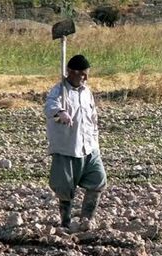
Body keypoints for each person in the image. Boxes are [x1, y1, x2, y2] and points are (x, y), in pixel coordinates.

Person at [44, 54, 107, 231]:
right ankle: (65, 223)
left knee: (98, 180)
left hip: (90, 147)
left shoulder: (87, 92)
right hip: (67, 148)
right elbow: (49, 107)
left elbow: (93, 118)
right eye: (83, 74)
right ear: (71, 72)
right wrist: (60, 113)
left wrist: (96, 141)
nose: (86, 78)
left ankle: (86, 220)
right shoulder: (59, 91)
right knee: (65, 189)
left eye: (87, 74)